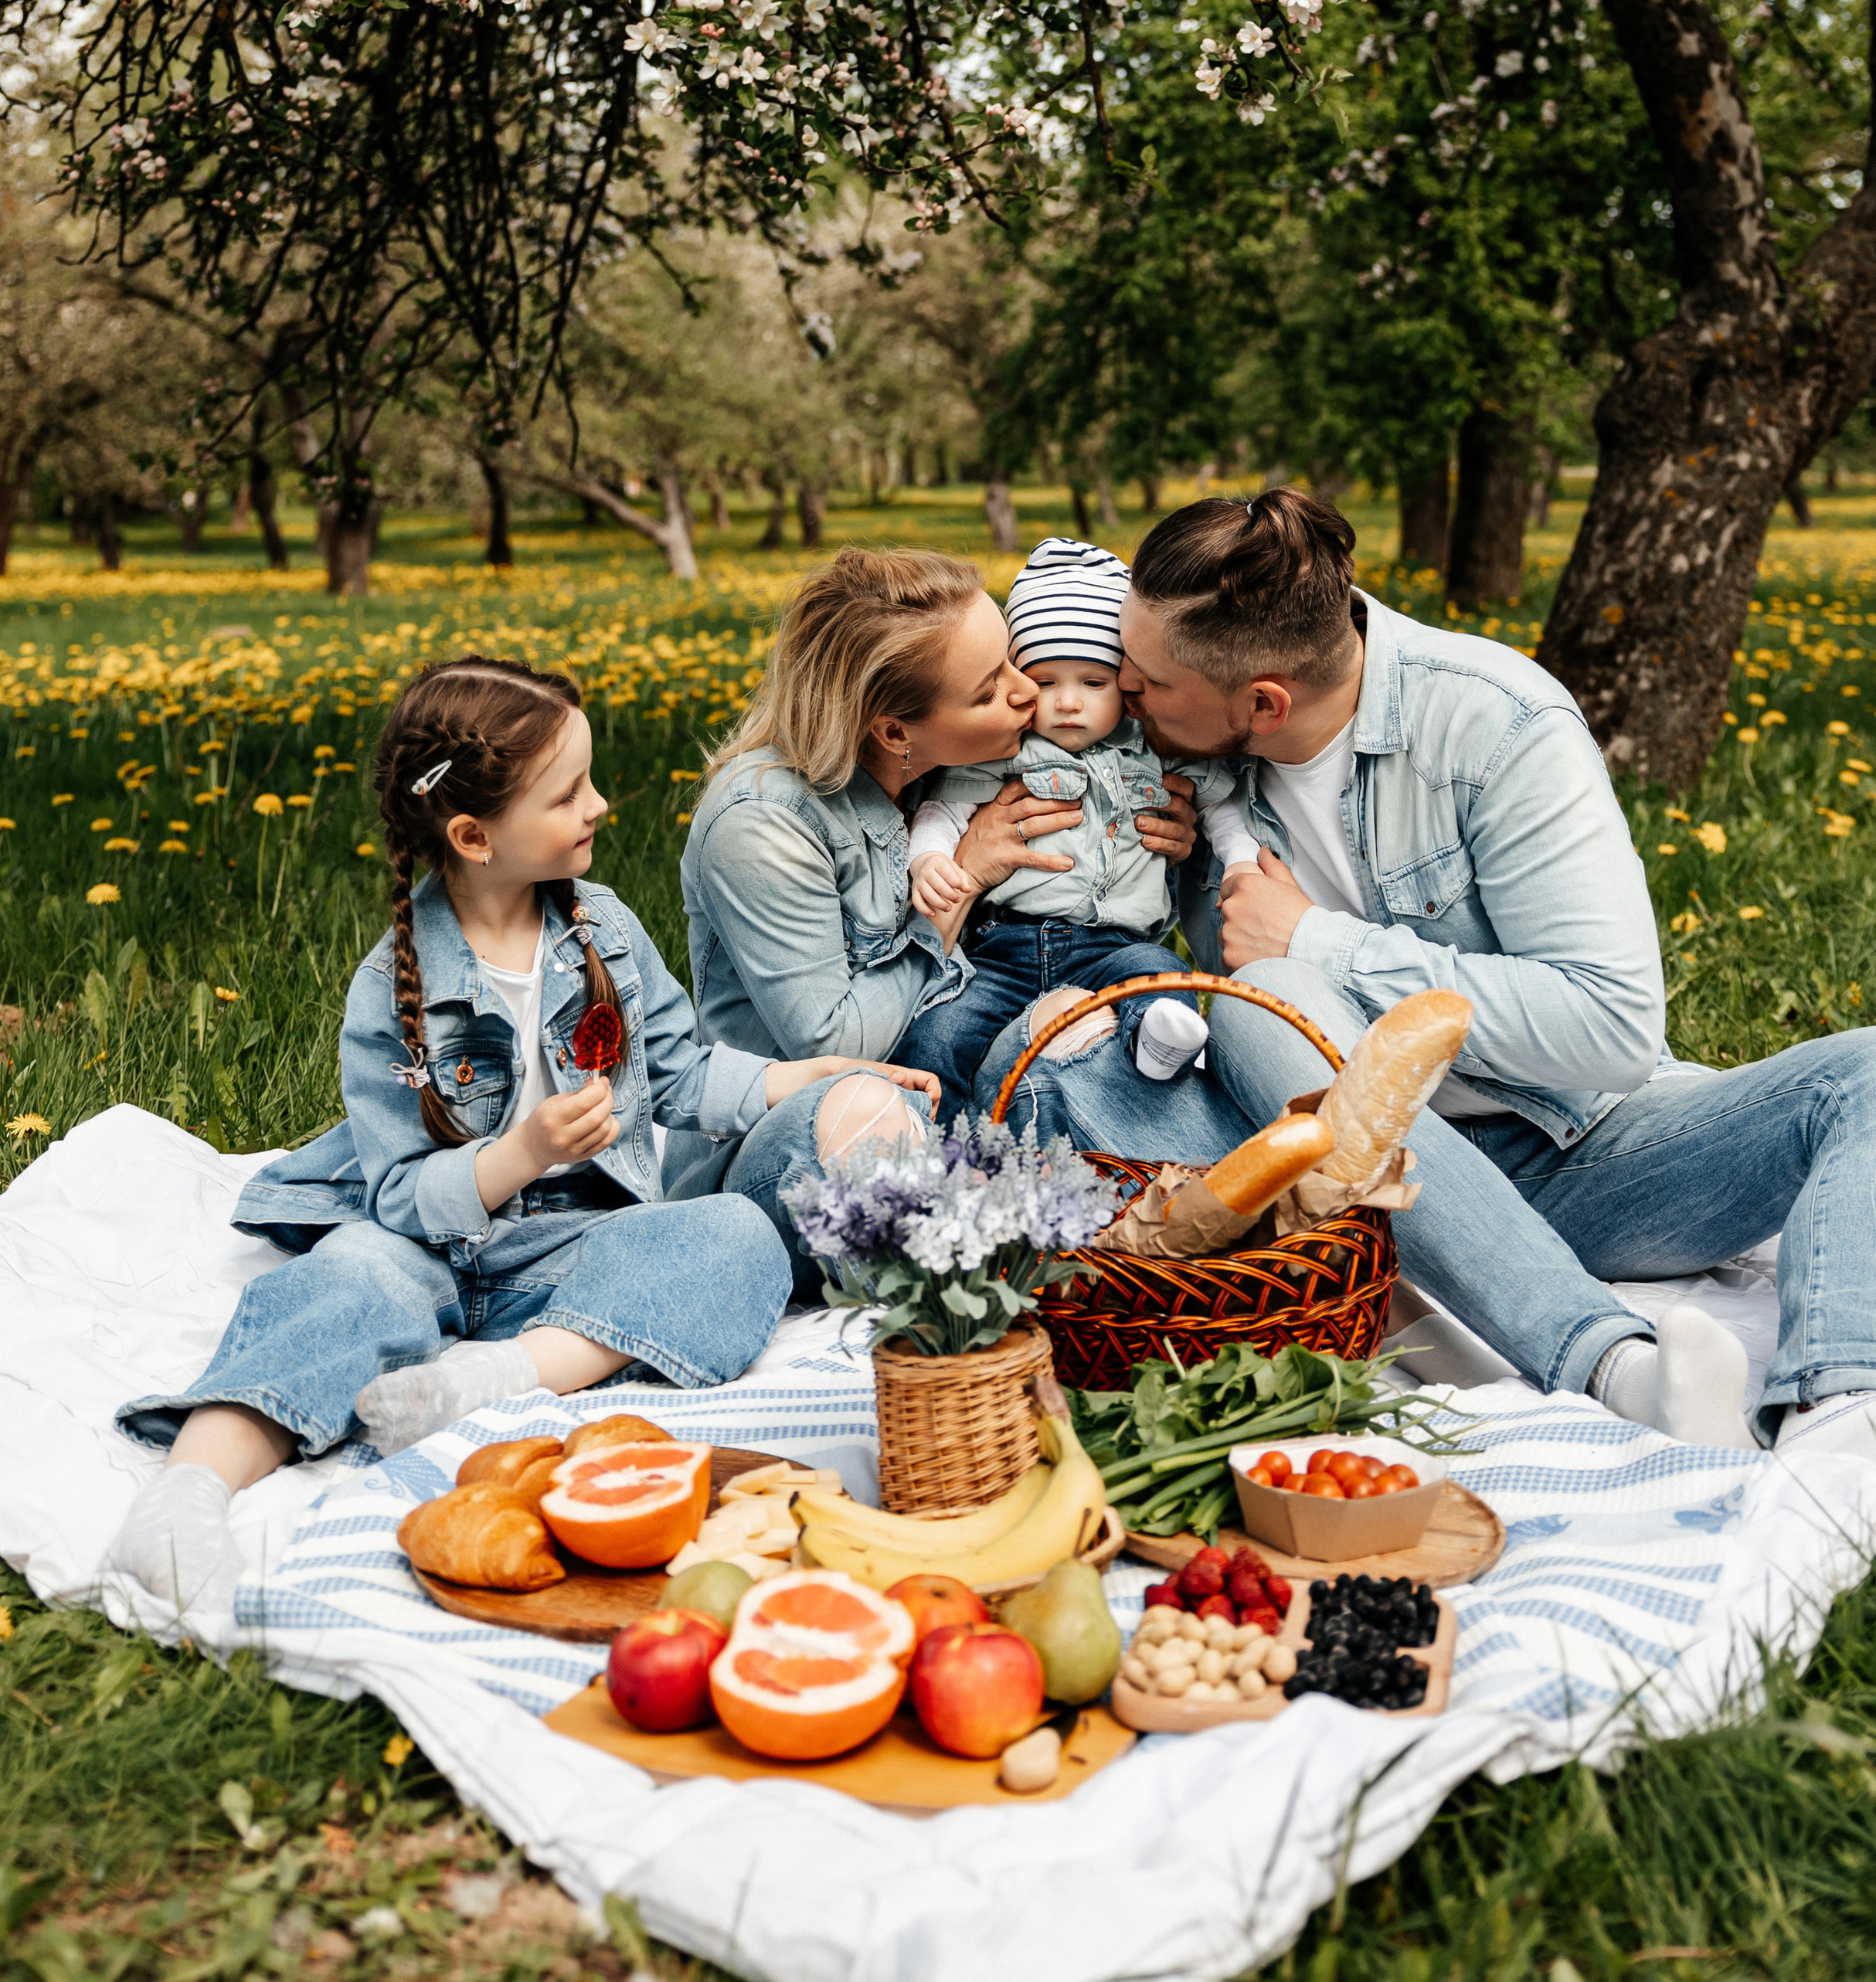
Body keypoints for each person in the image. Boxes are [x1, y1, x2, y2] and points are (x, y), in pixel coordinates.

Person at [983, 491, 1876, 1493]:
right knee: (1151, 1033)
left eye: (1144, 683)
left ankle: (1856, 1415)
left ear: (1267, 700)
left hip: (1581, 1151)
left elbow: (1613, 1026)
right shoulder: (1171, 770)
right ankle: (1611, 1366)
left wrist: (1320, 939)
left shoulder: (1496, 721)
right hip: (1333, 1193)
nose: (1125, 700)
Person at [107, 654, 930, 1619]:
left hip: (572, 1245)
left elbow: (679, 1072)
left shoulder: (606, 932)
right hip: (432, 1242)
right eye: (569, 792)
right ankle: (187, 1492)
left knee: (733, 1239)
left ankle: (490, 1379)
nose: (599, 806)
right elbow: (398, 1194)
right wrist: (520, 1154)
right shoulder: (394, 987)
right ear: (474, 835)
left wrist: (803, 1077)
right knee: (343, 1281)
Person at [673, 546, 1201, 1241]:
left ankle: (1160, 1217)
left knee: (1088, 1027)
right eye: (989, 690)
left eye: (1013, 659)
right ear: (893, 731)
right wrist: (967, 878)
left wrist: (1150, 826)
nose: (1027, 693)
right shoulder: (765, 825)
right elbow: (840, 1039)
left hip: (940, 1095)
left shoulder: (946, 771)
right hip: (806, 1146)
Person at [902, 535, 1259, 1102]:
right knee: (938, 1036)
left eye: (1093, 683)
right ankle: (937, 1146)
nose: (1068, 702)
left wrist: (1241, 863)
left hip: (1114, 948)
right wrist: (928, 857)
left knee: (1161, 979)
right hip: (1002, 950)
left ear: (1125, 681)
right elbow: (945, 807)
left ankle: (1154, 1046)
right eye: (1045, 682)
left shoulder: (1155, 747)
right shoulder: (1008, 751)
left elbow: (1221, 806)